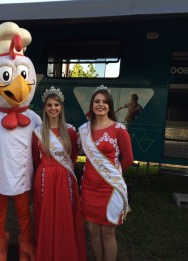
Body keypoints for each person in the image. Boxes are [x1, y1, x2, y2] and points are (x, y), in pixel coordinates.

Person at [78, 85, 134, 261]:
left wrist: (113, 176)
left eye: (104, 102)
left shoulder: (119, 129)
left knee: (108, 232)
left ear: (109, 105)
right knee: (93, 232)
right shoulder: (85, 129)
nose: (100, 104)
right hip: (88, 187)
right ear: (92, 105)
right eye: (97, 101)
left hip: (109, 189)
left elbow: (128, 159)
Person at [32, 86, 87, 261]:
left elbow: (73, 156)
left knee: (66, 216)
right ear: (45, 108)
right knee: (45, 216)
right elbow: (35, 156)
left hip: (65, 178)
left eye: (56, 104)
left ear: (61, 107)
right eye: (49, 105)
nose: (53, 108)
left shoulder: (70, 130)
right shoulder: (38, 132)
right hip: (44, 178)